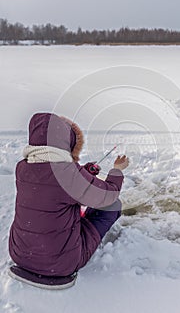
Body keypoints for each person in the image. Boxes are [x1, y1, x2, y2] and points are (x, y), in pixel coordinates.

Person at [9, 112, 129, 279]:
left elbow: (50, 188)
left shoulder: (22, 168)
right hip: (61, 263)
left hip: (20, 254)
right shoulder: (67, 175)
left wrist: (83, 173)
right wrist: (117, 170)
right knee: (113, 205)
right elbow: (108, 194)